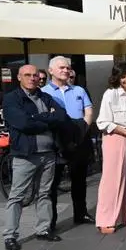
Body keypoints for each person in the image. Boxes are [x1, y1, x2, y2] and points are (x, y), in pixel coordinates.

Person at [1, 65, 68, 250]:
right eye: (27, 75)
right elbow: (23, 123)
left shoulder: (46, 97)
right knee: (17, 196)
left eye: (35, 75)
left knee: (44, 193)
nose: (32, 78)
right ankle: (10, 235)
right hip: (25, 155)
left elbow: (61, 117)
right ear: (19, 77)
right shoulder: (11, 99)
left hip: (48, 153)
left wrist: (37, 118)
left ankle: (43, 229)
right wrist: (47, 119)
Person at [42, 56, 95, 231]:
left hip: (79, 138)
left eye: (67, 68)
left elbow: (88, 110)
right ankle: (51, 220)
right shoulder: (44, 93)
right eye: (61, 68)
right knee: (53, 182)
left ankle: (81, 213)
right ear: (51, 70)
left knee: (79, 179)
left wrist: (83, 129)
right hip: (57, 142)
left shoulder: (79, 90)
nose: (65, 70)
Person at [95, 63, 126, 234]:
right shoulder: (111, 94)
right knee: (112, 179)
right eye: (124, 76)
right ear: (117, 78)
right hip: (115, 135)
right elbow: (103, 122)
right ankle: (106, 219)